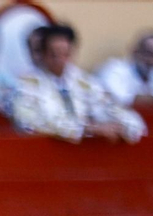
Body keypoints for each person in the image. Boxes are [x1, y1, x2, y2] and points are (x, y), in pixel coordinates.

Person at [12, 24, 145, 143]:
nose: (60, 60)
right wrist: (86, 129)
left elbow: (110, 107)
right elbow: (30, 122)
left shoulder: (84, 81)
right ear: (43, 54)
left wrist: (123, 125)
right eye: (54, 54)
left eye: (66, 54)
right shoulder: (27, 84)